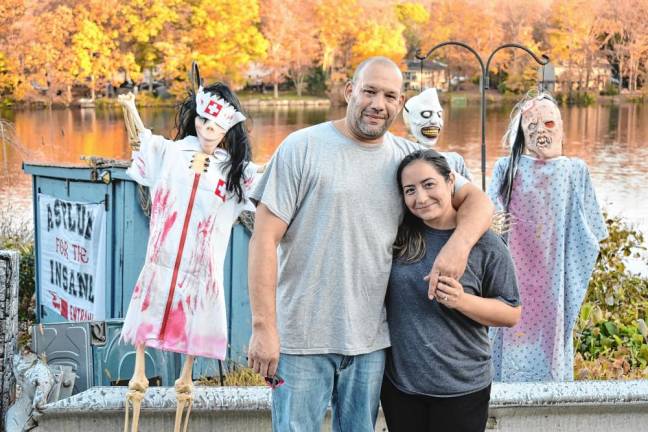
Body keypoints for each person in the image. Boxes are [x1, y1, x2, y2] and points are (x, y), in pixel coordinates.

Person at [247, 56, 494, 431]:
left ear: (400, 103)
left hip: (370, 343)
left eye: (390, 96)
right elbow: (264, 240)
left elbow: (479, 202)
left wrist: (456, 249)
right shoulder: (301, 147)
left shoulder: (408, 161)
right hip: (301, 341)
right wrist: (264, 327)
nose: (379, 104)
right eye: (370, 91)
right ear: (350, 91)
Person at [118, 63, 260, 432]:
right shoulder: (170, 153)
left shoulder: (235, 172)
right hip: (159, 265)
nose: (206, 129)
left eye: (215, 125)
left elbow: (273, 184)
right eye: (202, 120)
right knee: (139, 365)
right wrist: (129, 108)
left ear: (229, 127)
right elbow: (140, 142)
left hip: (202, 276)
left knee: (187, 375)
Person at [382, 149, 521, 432]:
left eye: (429, 184)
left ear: (450, 182)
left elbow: (511, 313)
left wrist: (461, 300)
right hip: (402, 389)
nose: (420, 198)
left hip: (462, 388)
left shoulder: (486, 245)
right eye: (410, 190)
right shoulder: (398, 238)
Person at [487, 92, 607, 382]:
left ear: (562, 127)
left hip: (555, 278)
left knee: (549, 344)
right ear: (520, 131)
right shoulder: (507, 169)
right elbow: (491, 223)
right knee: (508, 333)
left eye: (549, 123)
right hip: (513, 276)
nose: (541, 130)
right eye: (531, 123)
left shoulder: (574, 171)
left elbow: (591, 233)